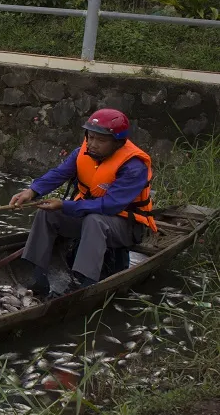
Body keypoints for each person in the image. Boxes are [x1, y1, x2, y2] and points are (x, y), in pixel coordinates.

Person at [9, 109, 157, 296]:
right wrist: (32, 191)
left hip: (125, 227)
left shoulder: (134, 167)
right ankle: (38, 276)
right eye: (91, 137)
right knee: (47, 213)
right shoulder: (82, 152)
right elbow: (59, 174)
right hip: (89, 217)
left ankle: (83, 283)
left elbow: (110, 205)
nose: (93, 144)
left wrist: (65, 205)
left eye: (101, 140)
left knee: (95, 220)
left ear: (118, 143)